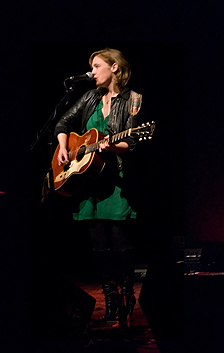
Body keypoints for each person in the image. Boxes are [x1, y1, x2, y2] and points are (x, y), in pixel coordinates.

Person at [54, 48, 142, 330]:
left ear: (115, 68)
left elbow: (135, 140)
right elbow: (64, 122)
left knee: (119, 242)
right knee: (98, 246)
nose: (92, 72)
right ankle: (111, 302)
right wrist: (64, 146)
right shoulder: (89, 97)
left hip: (115, 181)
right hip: (87, 182)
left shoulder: (133, 99)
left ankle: (128, 300)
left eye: (96, 66)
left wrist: (113, 145)